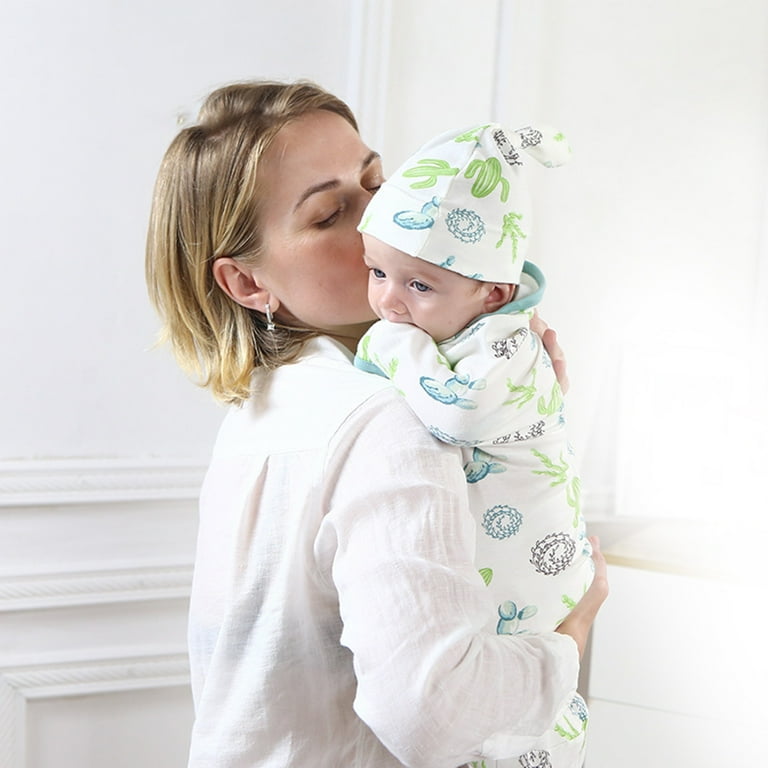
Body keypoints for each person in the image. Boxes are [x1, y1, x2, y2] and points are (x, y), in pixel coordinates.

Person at [145, 79, 608, 768]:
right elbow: (431, 713)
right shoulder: (383, 419)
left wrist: (504, 409)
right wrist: (566, 644)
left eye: (377, 182)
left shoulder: (266, 407)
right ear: (246, 283)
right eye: (331, 212)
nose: (387, 217)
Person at [353, 122, 594, 766]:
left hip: (534, 559)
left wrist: (389, 346)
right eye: (377, 271)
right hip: (510, 555)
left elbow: (456, 416)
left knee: (516, 722)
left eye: (419, 285)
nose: (387, 301)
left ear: (493, 292)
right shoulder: (464, 331)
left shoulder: (508, 342)